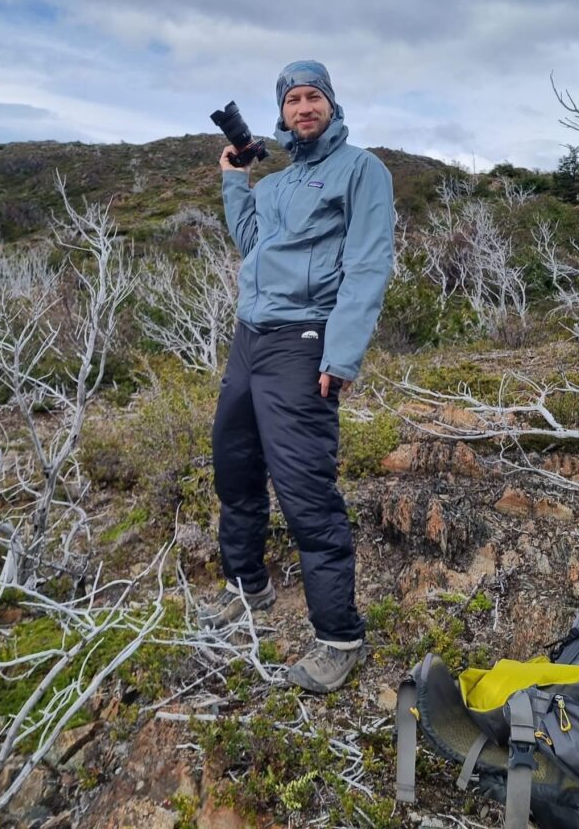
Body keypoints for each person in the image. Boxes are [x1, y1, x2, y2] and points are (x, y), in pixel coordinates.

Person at [199, 60, 395, 693]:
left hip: (303, 341)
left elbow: (367, 265)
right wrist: (236, 181)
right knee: (234, 467)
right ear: (281, 113)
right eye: (293, 100)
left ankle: (339, 637)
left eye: (314, 98)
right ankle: (247, 587)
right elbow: (252, 242)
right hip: (249, 339)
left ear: (331, 106)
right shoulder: (278, 184)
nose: (303, 108)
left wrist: (341, 357)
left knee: (305, 489)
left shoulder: (362, 170)